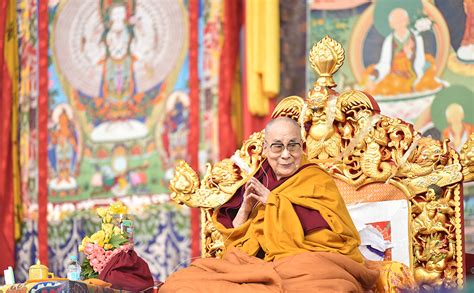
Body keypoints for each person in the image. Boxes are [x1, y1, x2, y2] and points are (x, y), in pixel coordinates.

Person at [161, 117, 379, 292]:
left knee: (328, 285)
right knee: (180, 284)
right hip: (253, 266)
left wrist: (273, 202)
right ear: (265, 149)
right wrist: (246, 208)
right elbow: (234, 241)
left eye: (292, 146)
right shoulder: (260, 178)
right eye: (277, 147)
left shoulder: (316, 179)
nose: (285, 155)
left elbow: (339, 236)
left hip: (302, 262)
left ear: (302, 147)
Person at [364, 8, 441, 96]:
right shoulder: (389, 40)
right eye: (396, 22)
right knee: (382, 86)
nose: (399, 24)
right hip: (394, 73)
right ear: (391, 25)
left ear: (407, 21)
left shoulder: (416, 38)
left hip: (412, 72)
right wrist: (374, 76)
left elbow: (420, 60)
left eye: (402, 20)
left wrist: (409, 54)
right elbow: (384, 63)